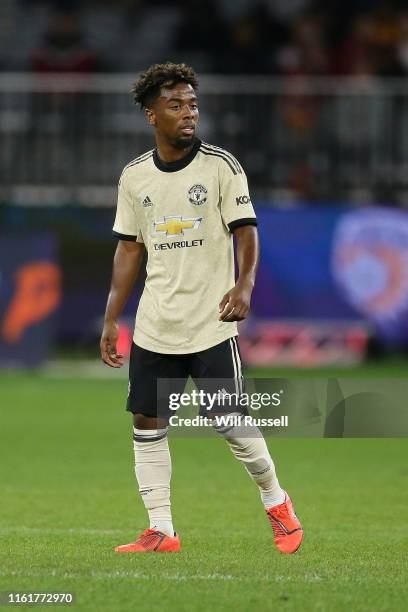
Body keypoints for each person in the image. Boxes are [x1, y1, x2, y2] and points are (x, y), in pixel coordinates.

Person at [100, 62, 303, 554]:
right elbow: (129, 248)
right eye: (176, 105)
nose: (189, 113)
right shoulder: (134, 177)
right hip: (154, 326)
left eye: (193, 104)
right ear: (152, 115)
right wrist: (111, 318)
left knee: (232, 424)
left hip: (210, 325)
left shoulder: (220, 166)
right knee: (146, 425)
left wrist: (245, 285)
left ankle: (277, 504)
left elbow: (246, 230)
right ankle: (162, 529)